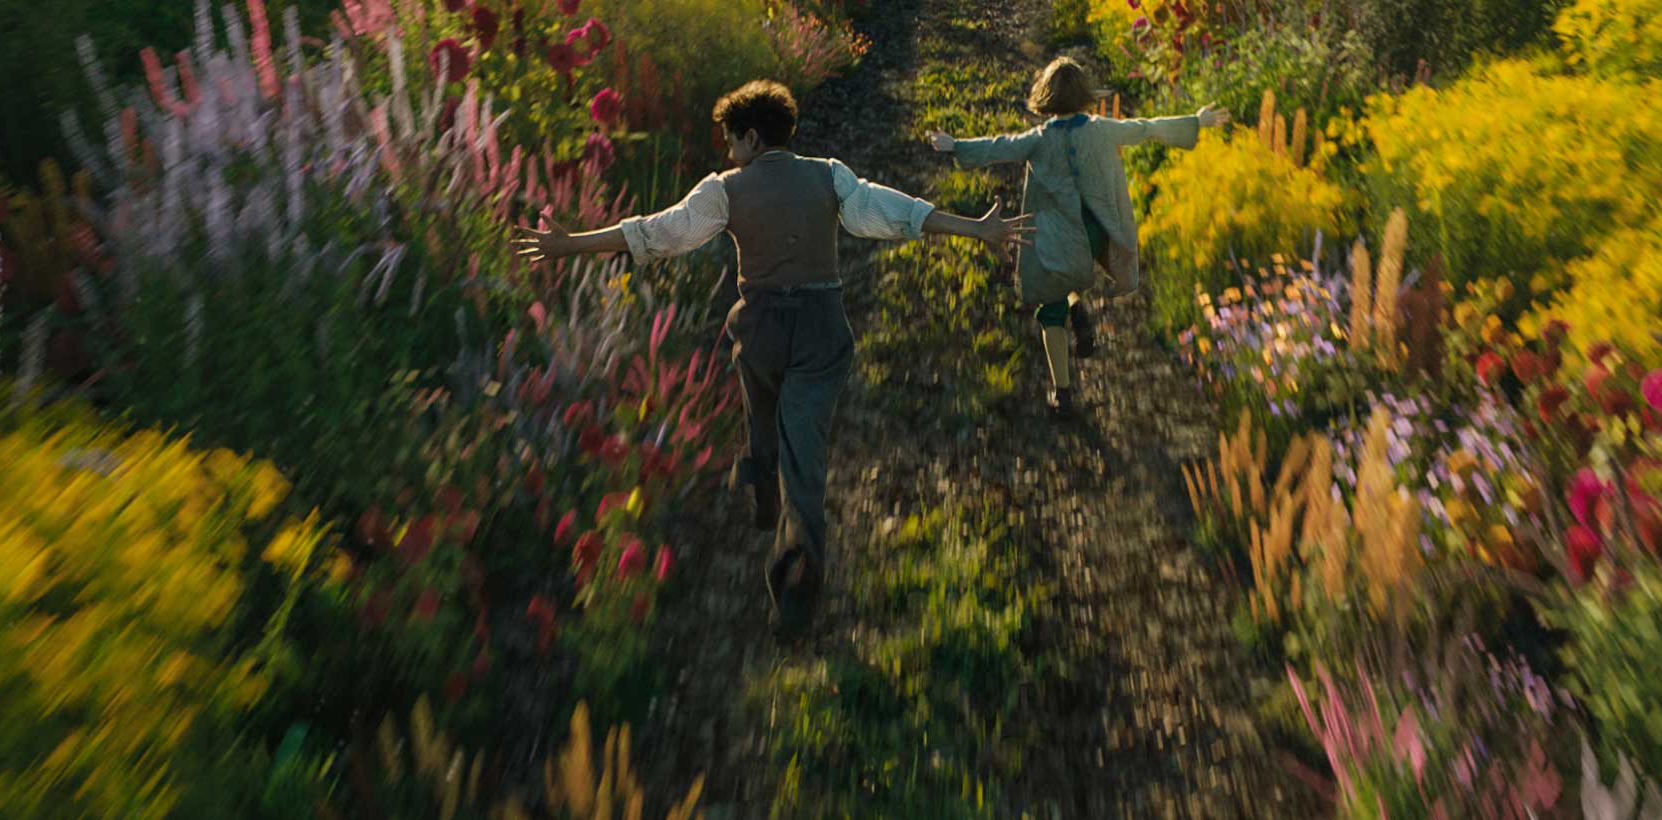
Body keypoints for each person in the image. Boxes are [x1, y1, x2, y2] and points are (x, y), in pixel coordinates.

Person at [513, 80, 1034, 639]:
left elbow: (661, 233)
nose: (729, 152)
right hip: (821, 330)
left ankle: (774, 512)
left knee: (765, 411)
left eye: (732, 141)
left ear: (752, 137)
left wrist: (573, 244)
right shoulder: (829, 175)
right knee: (802, 448)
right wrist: (973, 228)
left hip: (761, 328)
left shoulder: (725, 190)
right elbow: (892, 211)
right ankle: (786, 532)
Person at [928, 57, 1229, 417]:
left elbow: (999, 146)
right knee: (1075, 272)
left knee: (1049, 306)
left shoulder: (1038, 139)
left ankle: (1063, 392)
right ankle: (1078, 309)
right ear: (1084, 95)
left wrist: (954, 145)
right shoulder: (1102, 129)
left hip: (1058, 239)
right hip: (1097, 234)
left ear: (1046, 97)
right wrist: (1196, 122)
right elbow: (1145, 128)